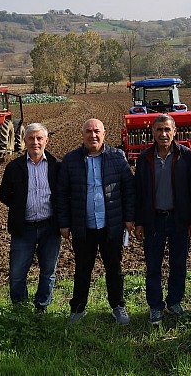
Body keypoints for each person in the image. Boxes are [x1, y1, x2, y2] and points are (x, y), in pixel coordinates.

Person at [55, 118, 136, 325]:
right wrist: (64, 223)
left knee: (114, 269)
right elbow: (61, 193)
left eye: (97, 131)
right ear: (82, 135)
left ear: (104, 134)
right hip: (83, 226)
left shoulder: (117, 157)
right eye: (89, 131)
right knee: (82, 269)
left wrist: (129, 218)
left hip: (111, 225)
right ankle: (78, 309)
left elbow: (129, 189)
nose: (93, 135)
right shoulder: (71, 160)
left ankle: (118, 306)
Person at [134, 114, 191, 325]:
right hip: (153, 220)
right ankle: (155, 306)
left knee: (178, 263)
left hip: (179, 220)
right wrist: (139, 221)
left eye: (167, 129)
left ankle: (174, 302)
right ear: (153, 132)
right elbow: (139, 193)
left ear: (174, 132)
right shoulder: (144, 158)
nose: (163, 134)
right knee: (153, 266)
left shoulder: (185, 156)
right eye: (159, 130)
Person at [0, 122, 61, 313]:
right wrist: (19, 206)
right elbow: (4, 195)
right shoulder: (14, 167)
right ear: (24, 140)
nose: (35, 142)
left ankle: (42, 306)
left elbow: (63, 194)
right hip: (23, 228)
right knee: (17, 272)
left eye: (39, 138)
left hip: (50, 227)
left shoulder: (57, 165)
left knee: (48, 271)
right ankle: (20, 308)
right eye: (31, 138)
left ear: (46, 141)